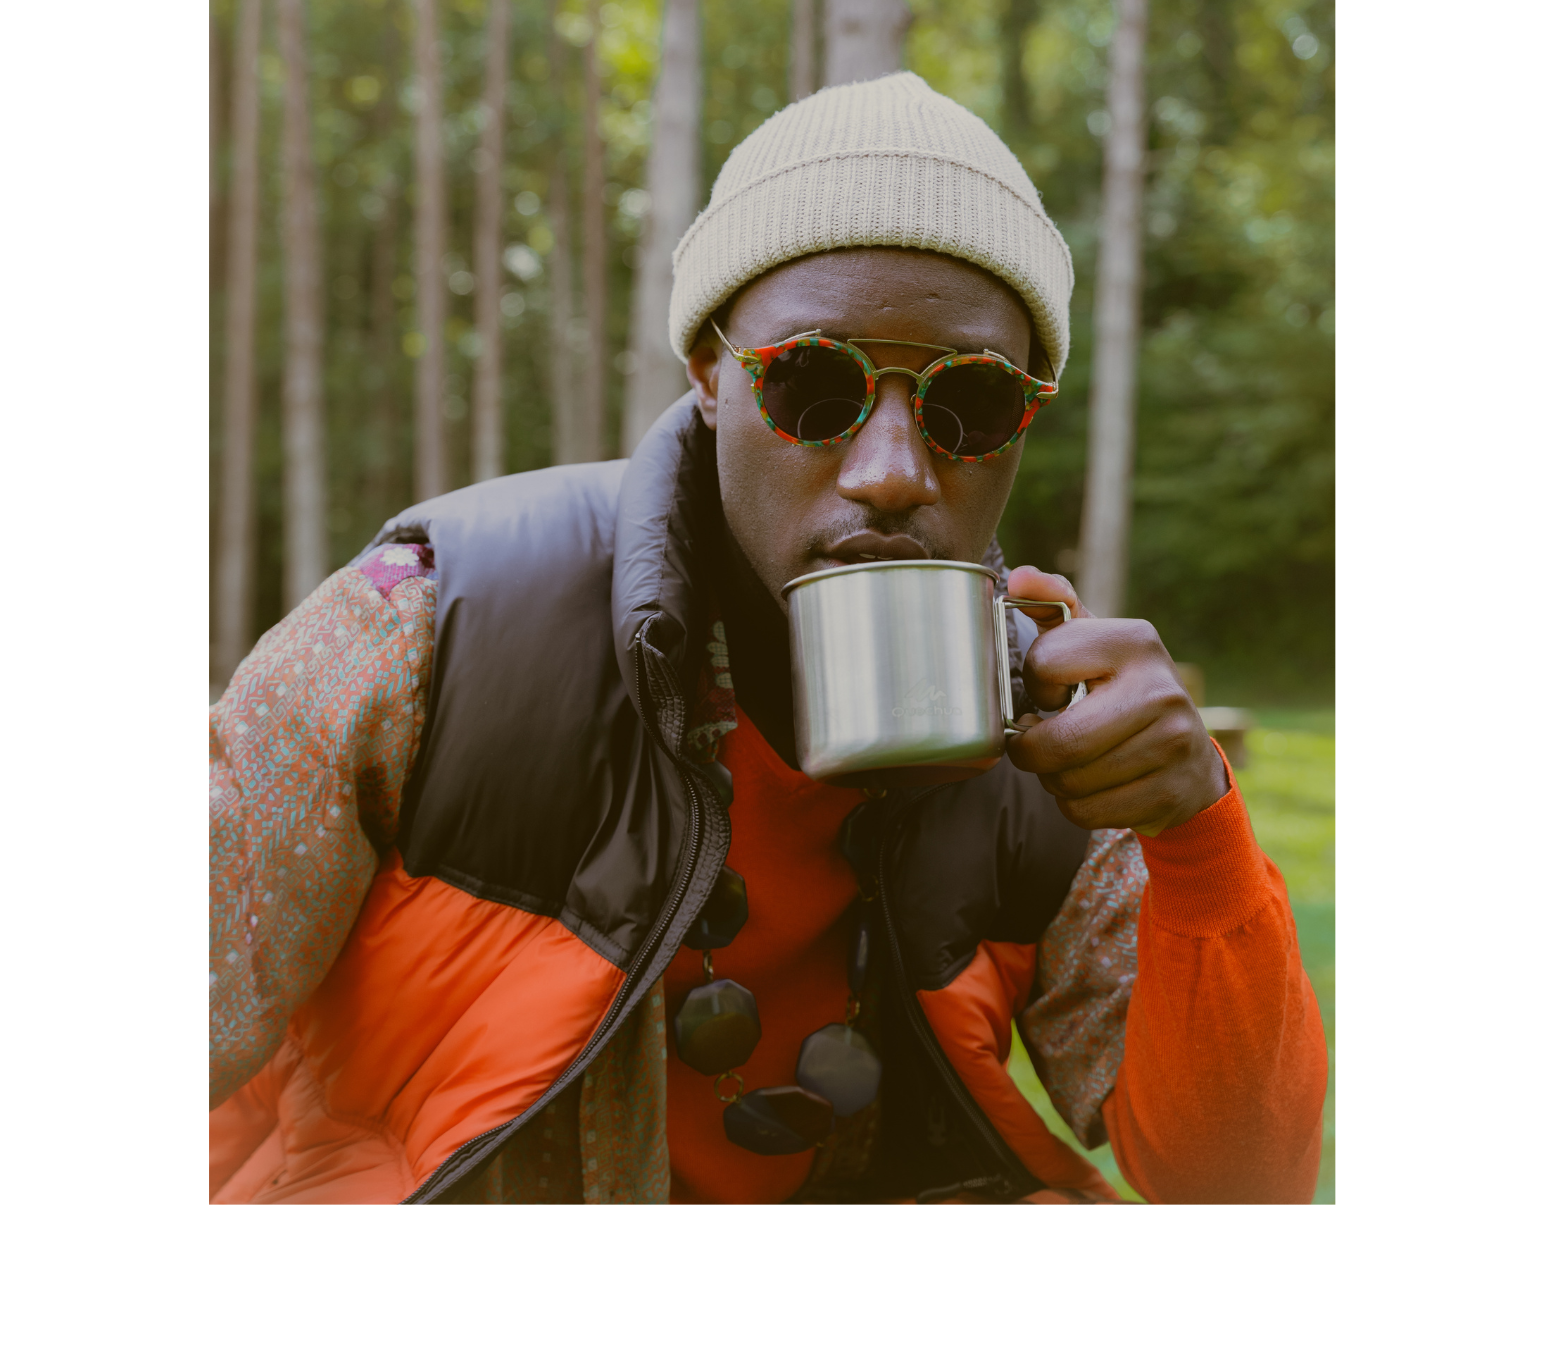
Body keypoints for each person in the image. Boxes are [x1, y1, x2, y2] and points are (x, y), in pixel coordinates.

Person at [209, 72, 1326, 1214]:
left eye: (971, 404)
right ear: (708, 372)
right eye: (814, 379)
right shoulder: (436, 626)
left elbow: (1238, 1185)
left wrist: (1197, 835)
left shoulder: (1050, 731)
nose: (893, 469)